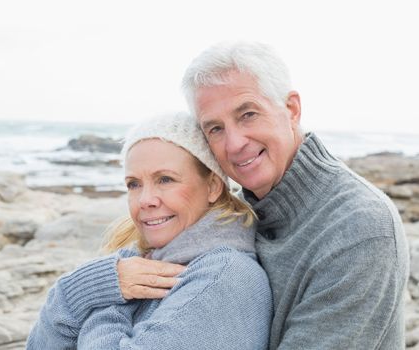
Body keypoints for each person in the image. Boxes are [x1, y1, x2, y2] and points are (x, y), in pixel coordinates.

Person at [178, 41, 410, 349]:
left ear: (291, 110)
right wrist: (110, 278)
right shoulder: (234, 214)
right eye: (215, 129)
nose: (234, 144)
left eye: (247, 114)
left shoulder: (361, 227)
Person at [26, 112, 273, 349]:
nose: (145, 200)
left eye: (165, 179)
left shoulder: (225, 278)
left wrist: (105, 297)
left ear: (212, 186)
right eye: (133, 184)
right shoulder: (135, 264)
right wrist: (74, 291)